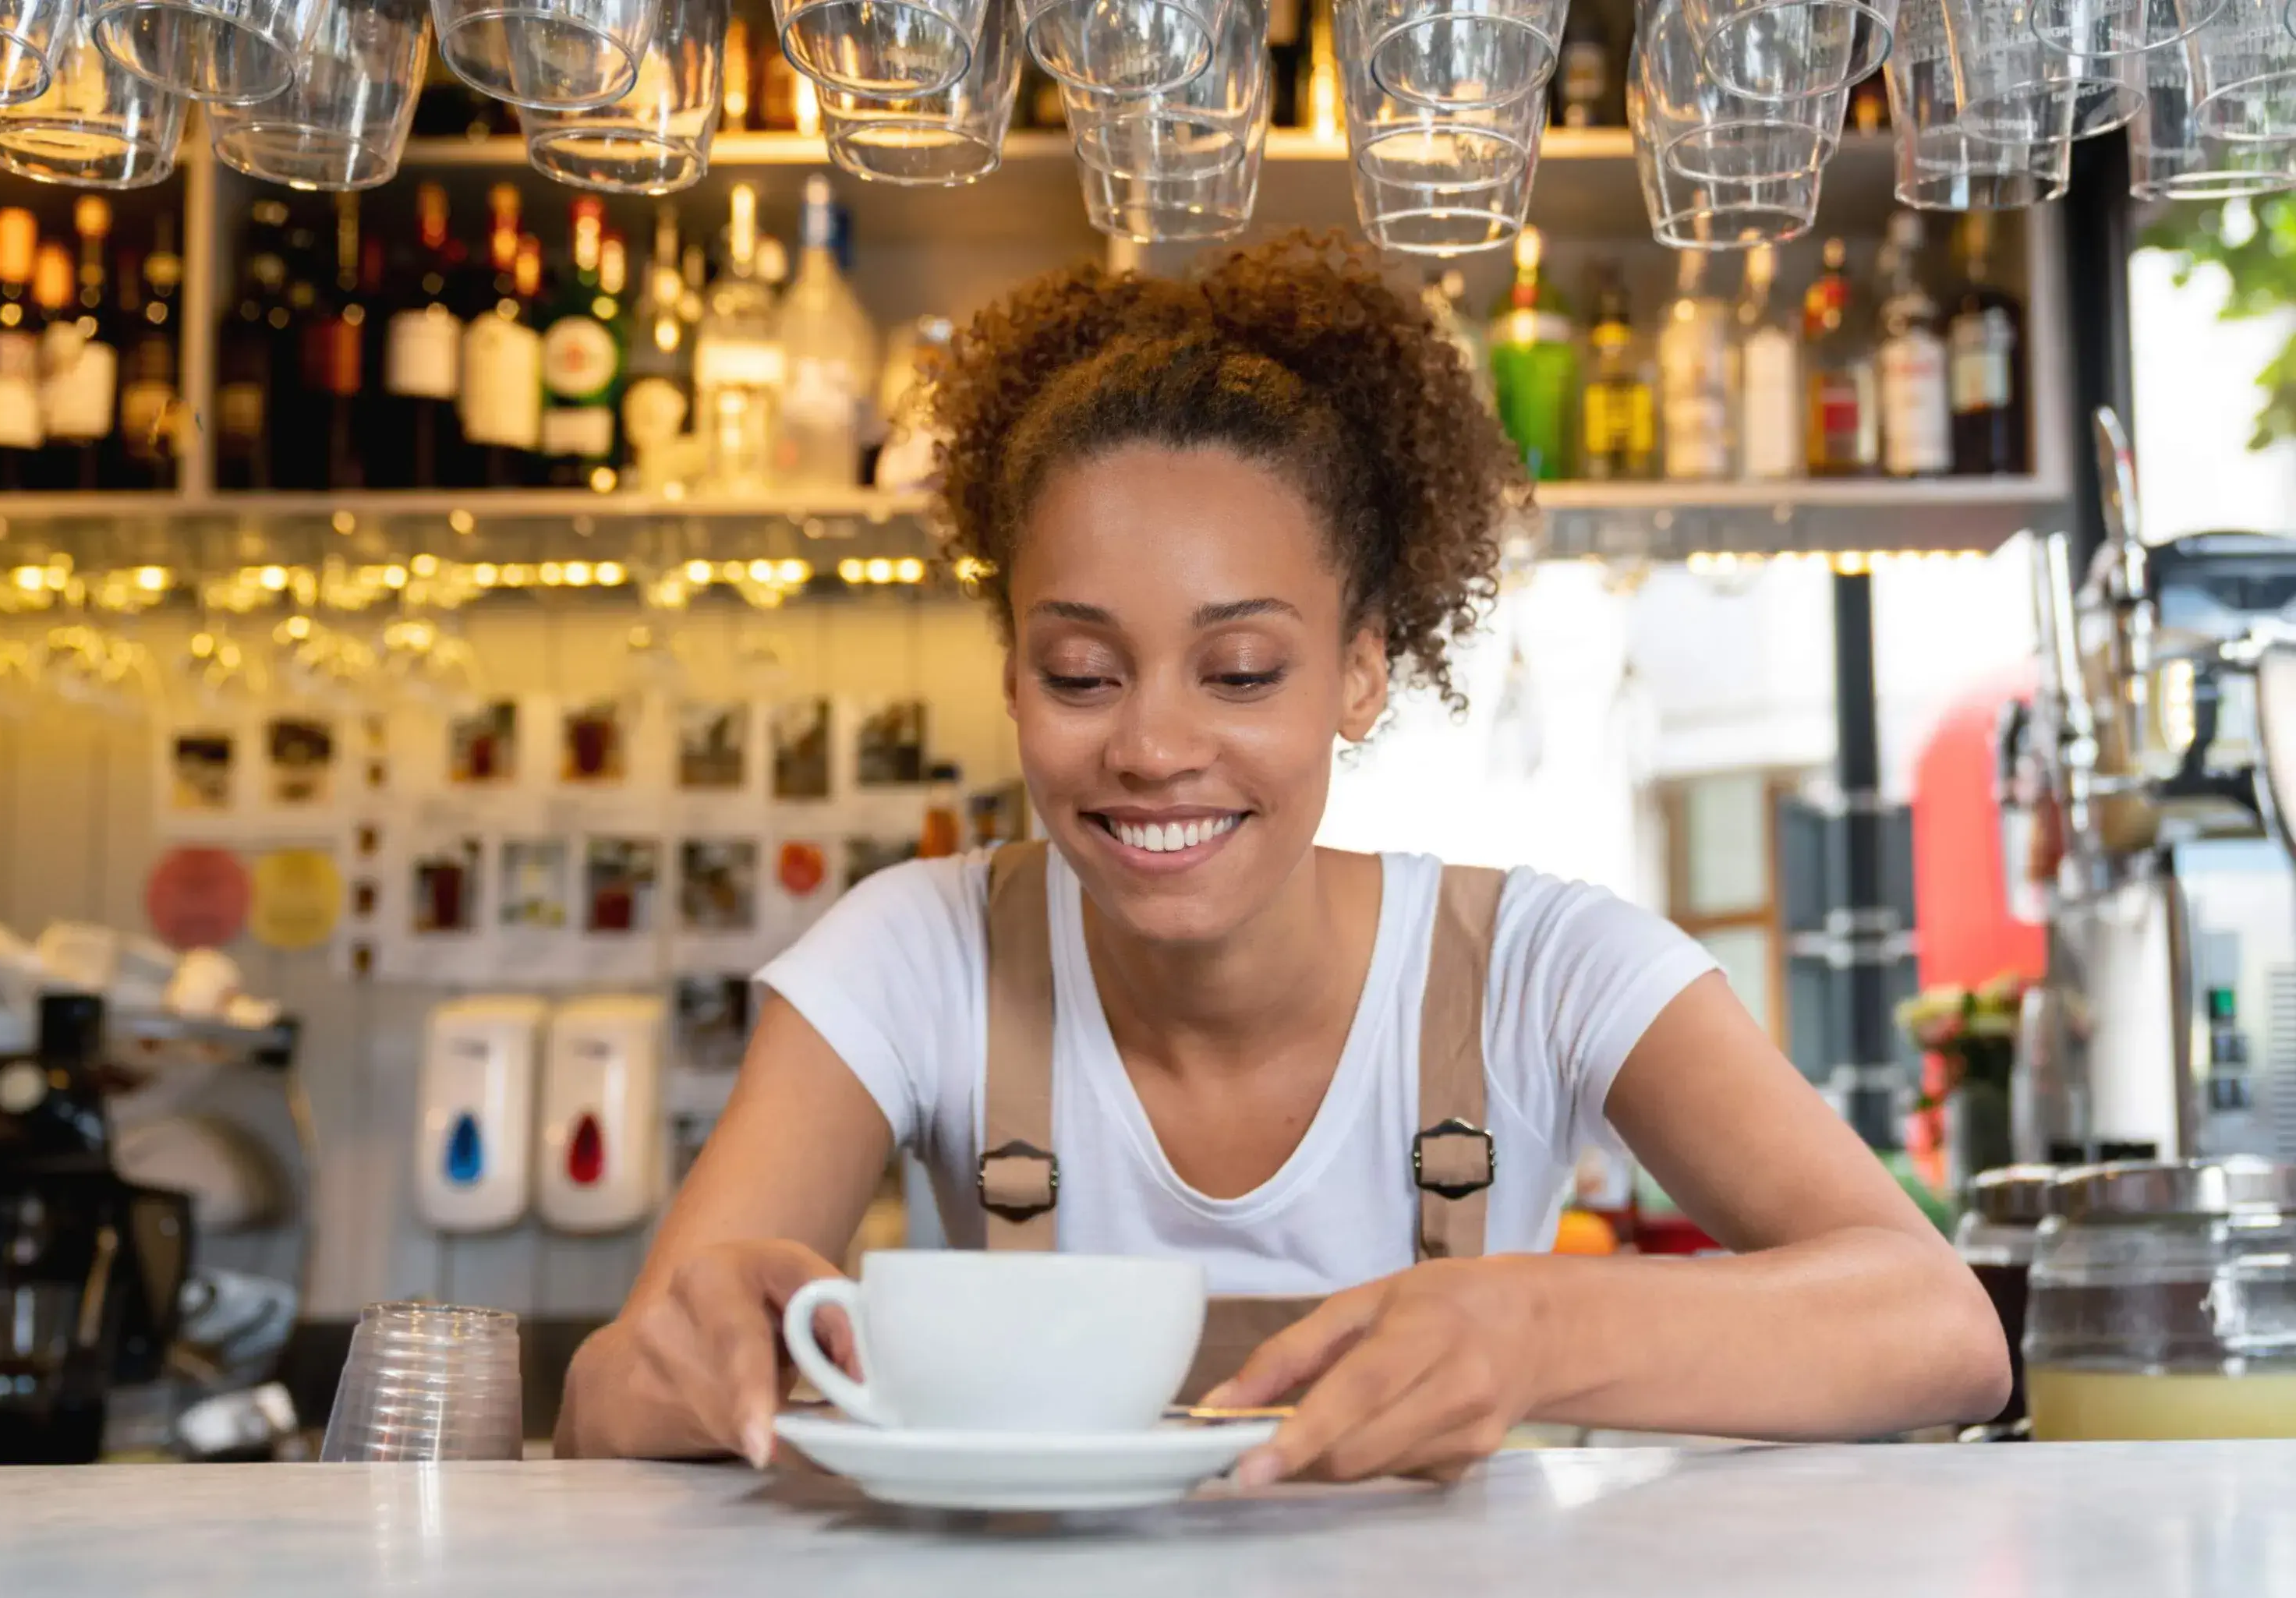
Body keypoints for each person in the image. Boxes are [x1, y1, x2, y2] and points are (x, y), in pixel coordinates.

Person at [557, 235, 2010, 1482]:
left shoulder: (1543, 969)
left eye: (1241, 671)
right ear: (1014, 678)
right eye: (1081, 672)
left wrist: (1539, 1325)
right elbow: (606, 1400)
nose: (1152, 746)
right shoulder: (913, 950)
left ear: (1361, 673)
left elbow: (1940, 1333)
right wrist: (686, 1362)